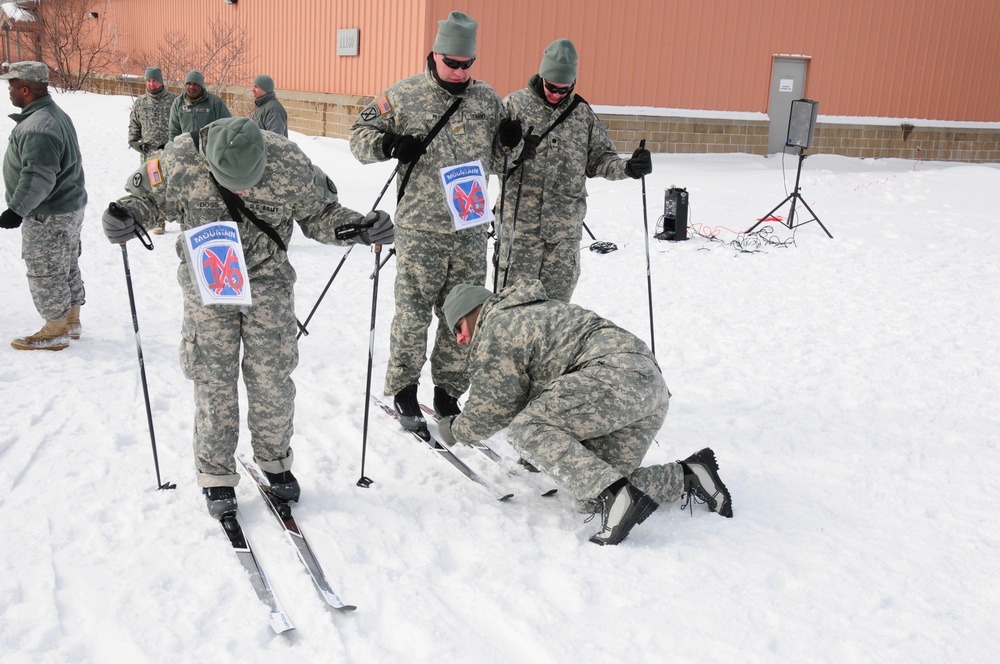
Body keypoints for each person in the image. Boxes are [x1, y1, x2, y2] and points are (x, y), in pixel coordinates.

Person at [101, 117, 394, 519]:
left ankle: (275, 462)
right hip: (209, 281)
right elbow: (146, 199)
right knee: (213, 377)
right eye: (231, 181)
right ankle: (216, 474)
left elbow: (321, 214)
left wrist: (360, 228)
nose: (240, 189)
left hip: (267, 282)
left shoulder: (289, 160)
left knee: (272, 376)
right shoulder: (180, 157)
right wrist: (126, 215)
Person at [436, 280, 733, 545]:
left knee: (525, 429)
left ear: (473, 311)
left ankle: (618, 495)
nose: (461, 340)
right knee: (593, 496)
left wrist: (455, 429)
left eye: (458, 329)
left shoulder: (497, 326)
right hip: (647, 389)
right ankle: (690, 475)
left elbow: (494, 407)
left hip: (615, 377)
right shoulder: (528, 312)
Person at [349, 10, 524, 431]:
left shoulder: (485, 98)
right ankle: (405, 388)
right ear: (435, 55)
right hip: (421, 228)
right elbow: (358, 136)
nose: (461, 72)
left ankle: (448, 390)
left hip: (468, 229)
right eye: (453, 63)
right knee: (413, 314)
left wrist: (509, 144)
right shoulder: (404, 95)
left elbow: (502, 160)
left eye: (468, 65)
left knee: (464, 317)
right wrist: (390, 143)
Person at [499, 39, 653, 302]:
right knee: (513, 309)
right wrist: (508, 145)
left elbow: (601, 159)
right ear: (542, 76)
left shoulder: (581, 114)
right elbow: (495, 159)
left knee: (558, 311)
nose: (556, 95)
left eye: (564, 89)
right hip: (521, 231)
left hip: (564, 234)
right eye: (551, 88)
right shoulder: (514, 106)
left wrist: (628, 167)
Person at [1, 61, 88, 351]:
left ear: (25, 89)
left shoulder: (39, 127)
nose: (9, 90)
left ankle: (55, 330)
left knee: (46, 270)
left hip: (47, 213)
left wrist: (16, 209)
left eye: (11, 85)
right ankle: (70, 319)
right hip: (67, 207)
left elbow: (38, 176)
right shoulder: (52, 114)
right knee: (65, 264)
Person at [127, 66, 177, 235]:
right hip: (149, 155)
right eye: (148, 80)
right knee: (151, 187)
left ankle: (177, 215)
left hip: (169, 152)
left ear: (161, 81)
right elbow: (134, 126)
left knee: (170, 185)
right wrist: (135, 143)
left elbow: (181, 125)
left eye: (154, 80)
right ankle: (157, 220)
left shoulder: (173, 101)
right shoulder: (140, 103)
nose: (151, 84)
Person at [168, 70, 231, 141]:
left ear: (201, 86)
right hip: (186, 148)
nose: (192, 87)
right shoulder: (178, 103)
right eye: (189, 84)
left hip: (208, 148)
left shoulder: (214, 102)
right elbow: (174, 131)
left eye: (196, 84)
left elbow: (227, 126)